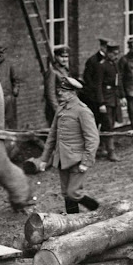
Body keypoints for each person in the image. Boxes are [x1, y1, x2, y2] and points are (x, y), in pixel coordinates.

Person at [38, 77, 100, 214]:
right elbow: (52, 135)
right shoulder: (61, 109)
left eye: (64, 91)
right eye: (59, 90)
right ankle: (73, 221)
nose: (60, 94)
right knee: (66, 193)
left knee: (74, 193)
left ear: (73, 93)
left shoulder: (82, 111)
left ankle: (98, 210)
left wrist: (86, 161)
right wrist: (44, 159)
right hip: (62, 158)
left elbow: (93, 138)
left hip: (77, 160)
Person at [94, 43, 124, 161]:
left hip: (114, 99)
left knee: (110, 125)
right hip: (106, 100)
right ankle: (111, 152)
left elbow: (118, 82)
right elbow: (98, 86)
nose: (116, 56)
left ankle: (102, 148)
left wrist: (122, 96)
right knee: (108, 125)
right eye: (114, 54)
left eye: (117, 54)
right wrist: (101, 103)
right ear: (108, 53)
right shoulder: (101, 66)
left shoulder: (115, 64)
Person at [0, 44, 21, 129]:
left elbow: (15, 79)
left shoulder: (9, 65)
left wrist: (15, 88)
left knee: (10, 120)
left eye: (2, 54)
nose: (0, 56)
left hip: (8, 98)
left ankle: (12, 139)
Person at [80, 37, 109, 126]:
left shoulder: (109, 60)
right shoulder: (93, 60)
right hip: (95, 97)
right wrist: (96, 91)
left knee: (107, 122)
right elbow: (87, 78)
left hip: (107, 96)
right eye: (108, 48)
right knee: (95, 122)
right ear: (102, 47)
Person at [44, 45, 71, 125]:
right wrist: (57, 110)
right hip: (56, 109)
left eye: (66, 57)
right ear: (56, 57)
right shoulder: (52, 71)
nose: (64, 59)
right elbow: (50, 94)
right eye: (61, 56)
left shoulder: (65, 70)